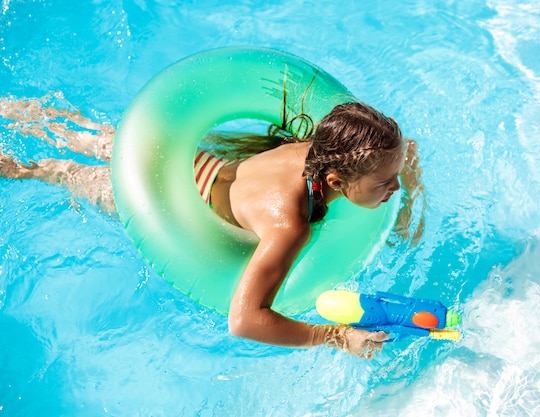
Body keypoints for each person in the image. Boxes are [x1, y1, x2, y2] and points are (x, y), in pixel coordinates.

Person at [0, 96, 421, 359]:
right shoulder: (290, 224)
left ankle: (11, 108)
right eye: (385, 183)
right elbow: (244, 320)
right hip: (167, 203)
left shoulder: (323, 148)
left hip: (199, 163)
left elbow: (396, 153)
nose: (395, 186)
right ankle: (16, 168)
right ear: (335, 181)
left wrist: (404, 201)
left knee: (85, 135)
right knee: (45, 172)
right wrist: (335, 337)